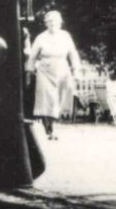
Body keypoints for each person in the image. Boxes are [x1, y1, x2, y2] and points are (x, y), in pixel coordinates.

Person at [26, 10, 79, 141]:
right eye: (49, 21)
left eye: (55, 21)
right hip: (45, 72)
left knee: (60, 99)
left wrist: (76, 70)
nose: (52, 24)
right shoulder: (41, 37)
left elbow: (73, 54)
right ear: (46, 23)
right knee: (47, 101)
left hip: (62, 71)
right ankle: (50, 129)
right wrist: (29, 71)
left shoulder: (66, 36)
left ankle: (52, 124)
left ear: (60, 22)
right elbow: (32, 57)